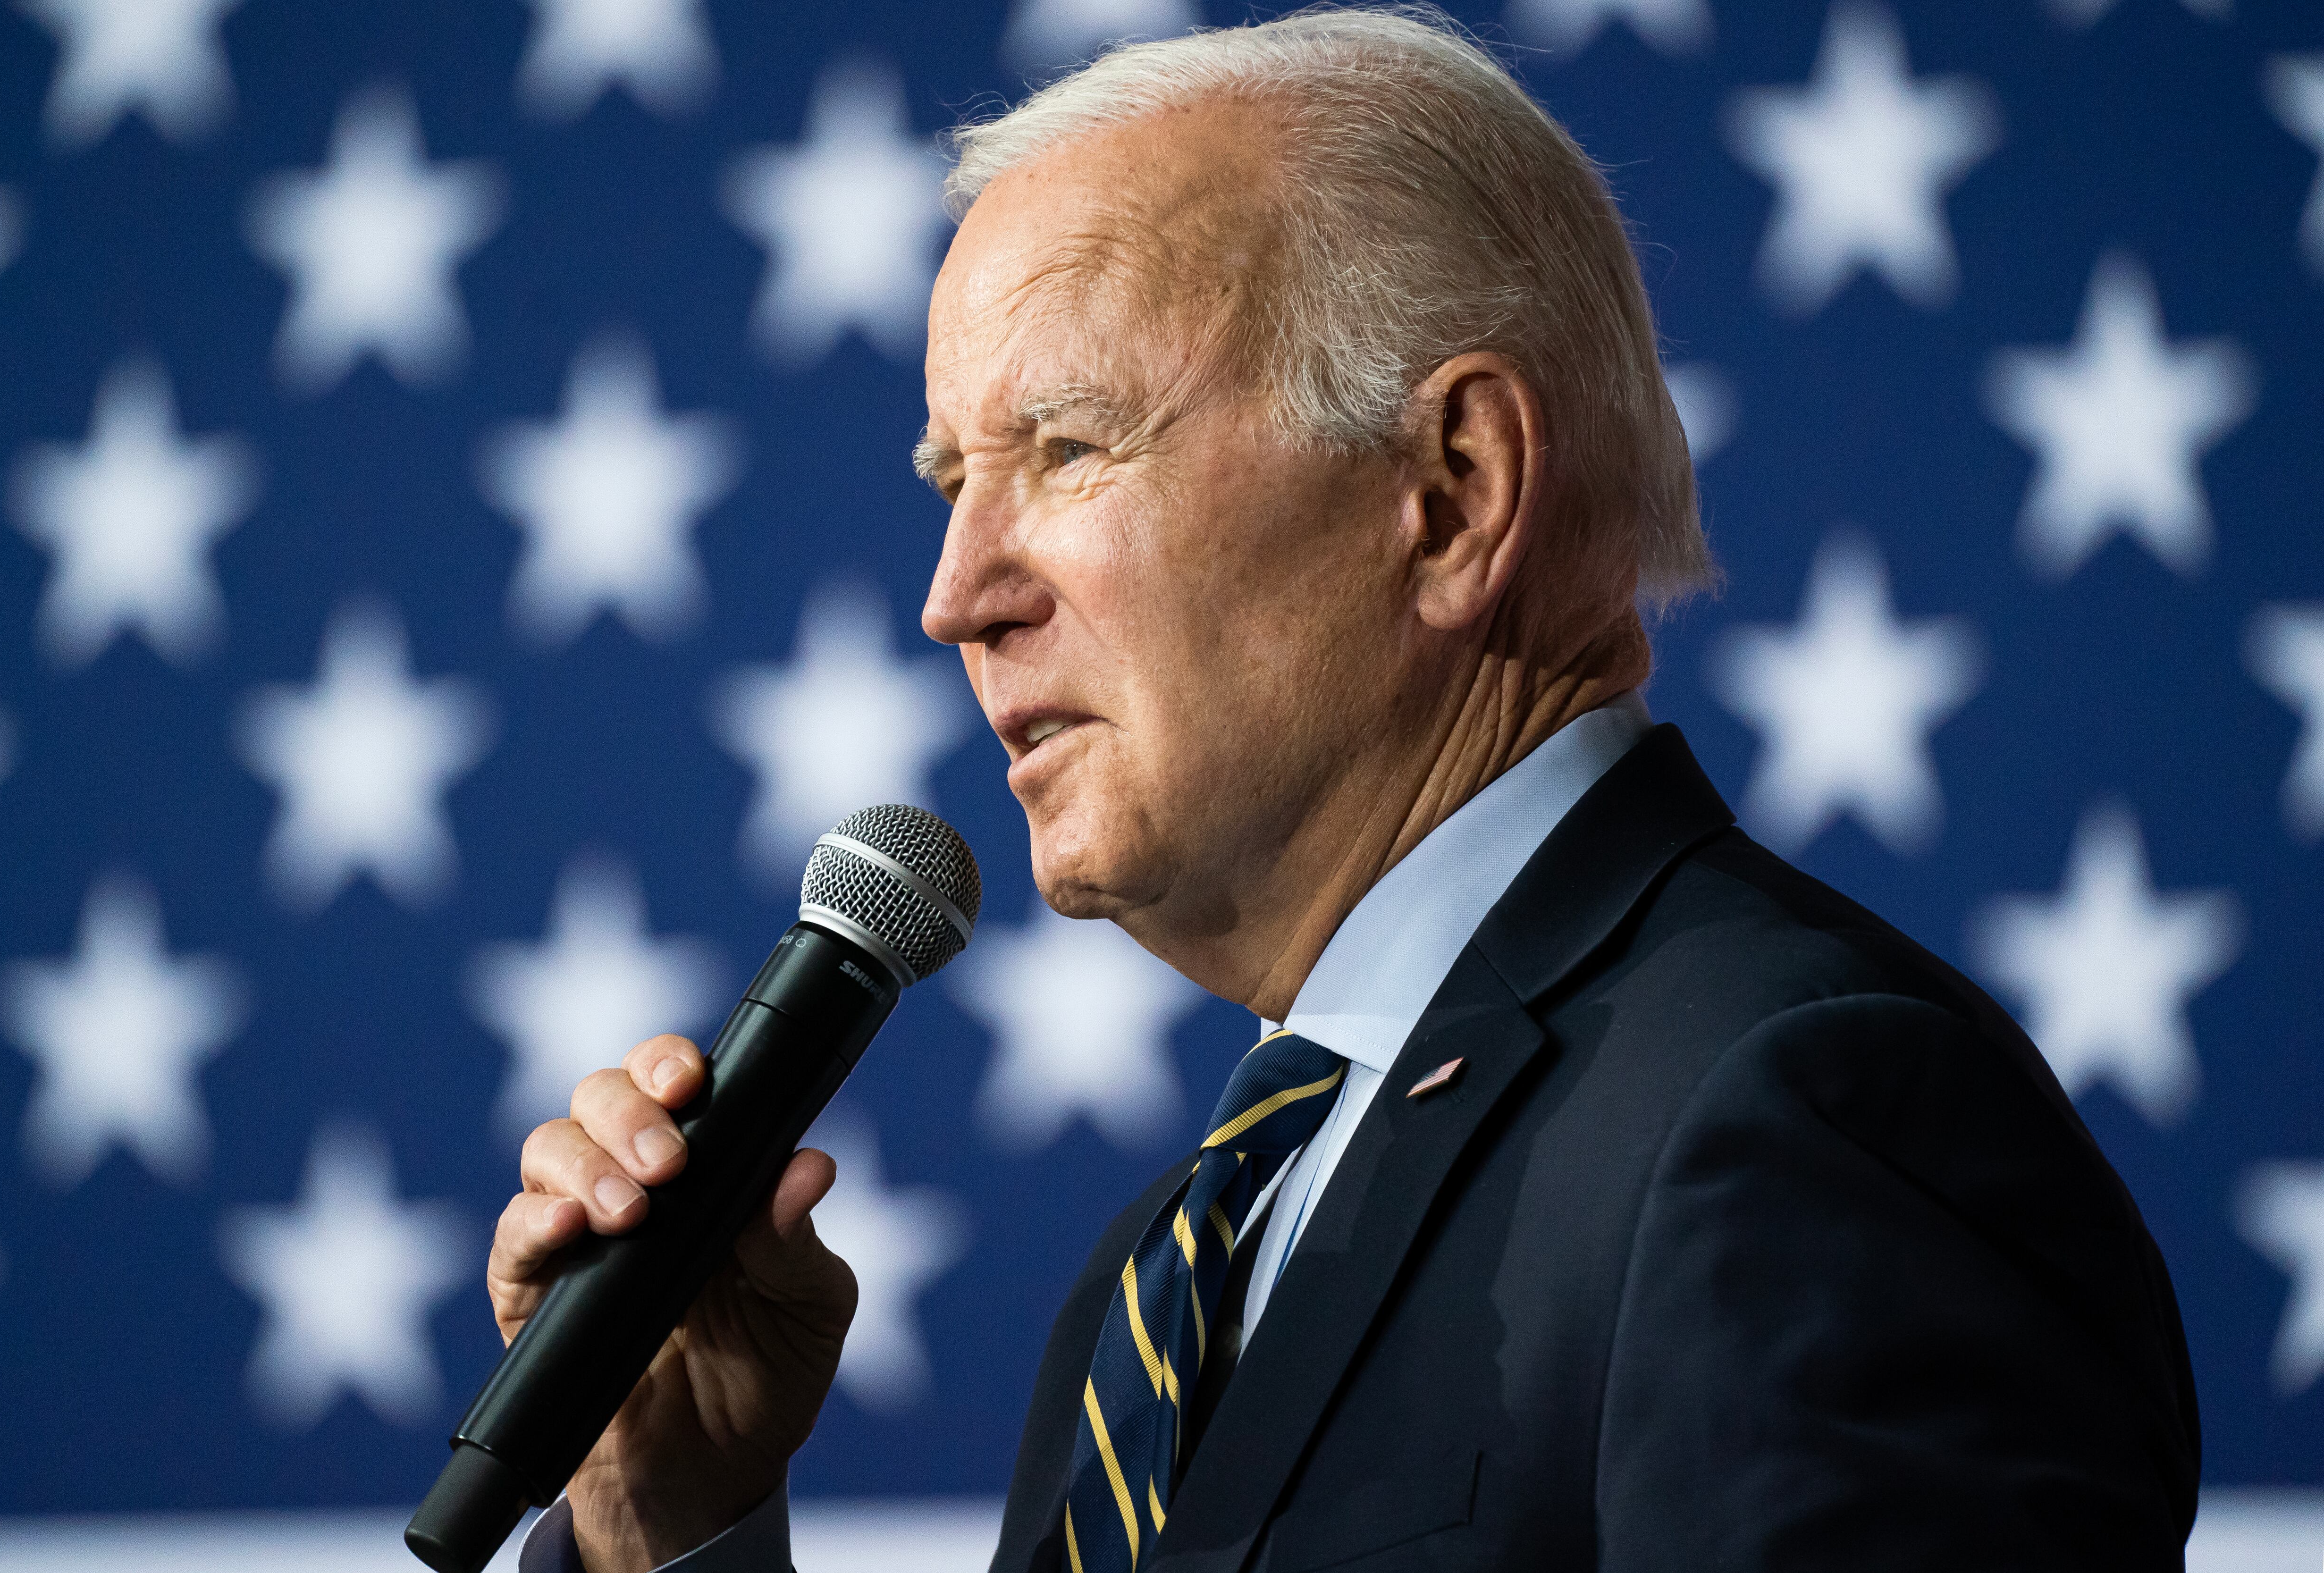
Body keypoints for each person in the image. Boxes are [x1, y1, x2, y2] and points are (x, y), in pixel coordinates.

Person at [487, 10, 2199, 1571]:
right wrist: (670, 1521)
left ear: (1452, 493)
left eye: (1069, 448)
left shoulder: (1804, 1120)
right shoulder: (1161, 1281)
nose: (956, 594)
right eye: (953, 478)